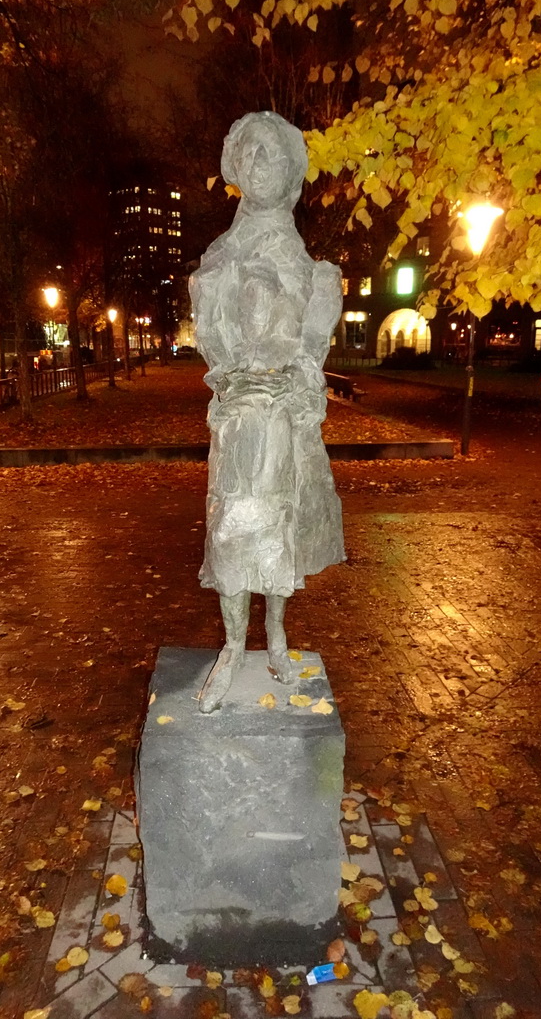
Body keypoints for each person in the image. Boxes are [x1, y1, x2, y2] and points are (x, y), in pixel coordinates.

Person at [192, 111, 345, 714]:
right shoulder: (222, 253)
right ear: (236, 168)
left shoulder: (306, 262)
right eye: (250, 155)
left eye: (273, 156)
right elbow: (212, 335)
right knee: (233, 524)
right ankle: (233, 644)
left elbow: (312, 338)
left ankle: (276, 634)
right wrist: (233, 381)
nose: (261, 165)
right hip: (240, 413)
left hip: (285, 412)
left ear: (293, 174)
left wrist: (301, 378)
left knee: (280, 523)